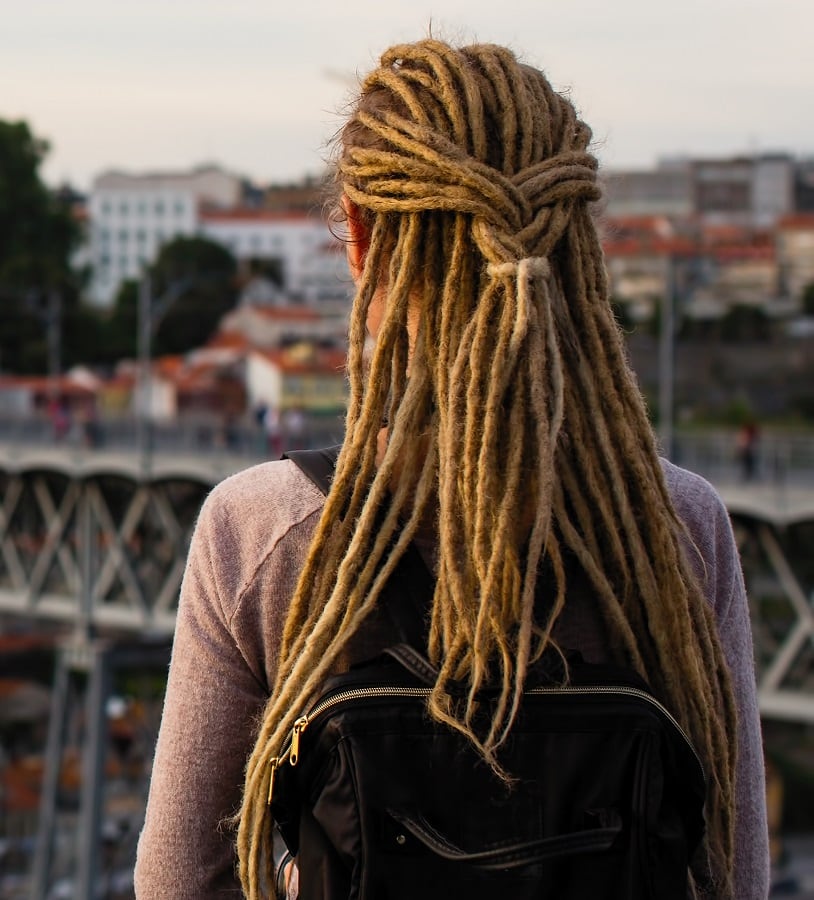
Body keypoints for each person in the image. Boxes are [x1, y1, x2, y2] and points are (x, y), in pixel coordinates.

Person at [134, 39, 769, 899]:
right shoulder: (679, 527)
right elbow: (732, 875)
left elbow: (180, 883)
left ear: (359, 239)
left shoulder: (263, 533)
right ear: (578, 241)